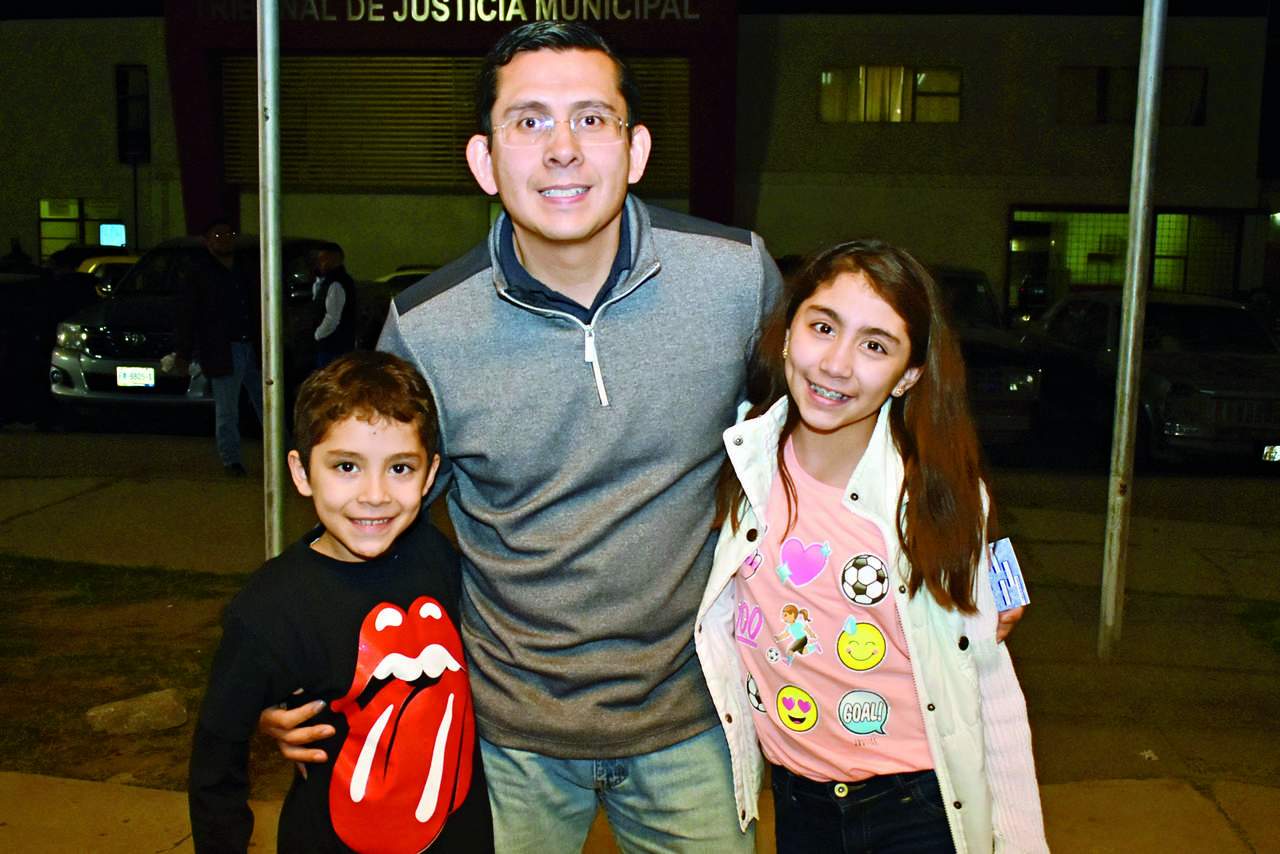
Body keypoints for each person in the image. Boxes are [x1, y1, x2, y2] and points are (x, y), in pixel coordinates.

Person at [261, 20, 783, 853]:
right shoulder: (427, 330)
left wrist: (959, 571)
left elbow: (825, 450)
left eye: (591, 118)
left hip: (692, 722)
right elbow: (371, 522)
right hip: (506, 738)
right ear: (484, 160)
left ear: (636, 149)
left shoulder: (735, 279)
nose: (562, 149)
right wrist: (294, 664)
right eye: (529, 121)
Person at [696, 240, 1047, 853]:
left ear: (909, 375)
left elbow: (988, 682)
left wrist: (1020, 841)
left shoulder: (936, 498)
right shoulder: (739, 460)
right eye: (823, 327)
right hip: (798, 804)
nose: (836, 364)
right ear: (787, 332)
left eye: (875, 346)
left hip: (918, 806)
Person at [188, 350, 493, 853]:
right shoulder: (270, 609)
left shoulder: (436, 555)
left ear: (429, 475)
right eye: (346, 466)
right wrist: (263, 714)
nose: (375, 494)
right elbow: (217, 759)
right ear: (302, 472)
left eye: (400, 468)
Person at [170, 219, 264, 476]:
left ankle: (283, 452)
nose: (224, 239)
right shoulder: (199, 274)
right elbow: (187, 314)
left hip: (253, 346)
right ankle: (231, 459)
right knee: (227, 409)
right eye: (218, 235)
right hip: (223, 348)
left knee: (268, 403)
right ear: (207, 241)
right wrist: (184, 352)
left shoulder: (246, 269)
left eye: (228, 234)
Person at [310, 242, 358, 367]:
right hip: (336, 345)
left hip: (333, 347)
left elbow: (332, 318)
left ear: (333, 259)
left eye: (323, 259)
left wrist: (317, 335)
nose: (320, 263)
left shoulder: (336, 283)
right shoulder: (330, 281)